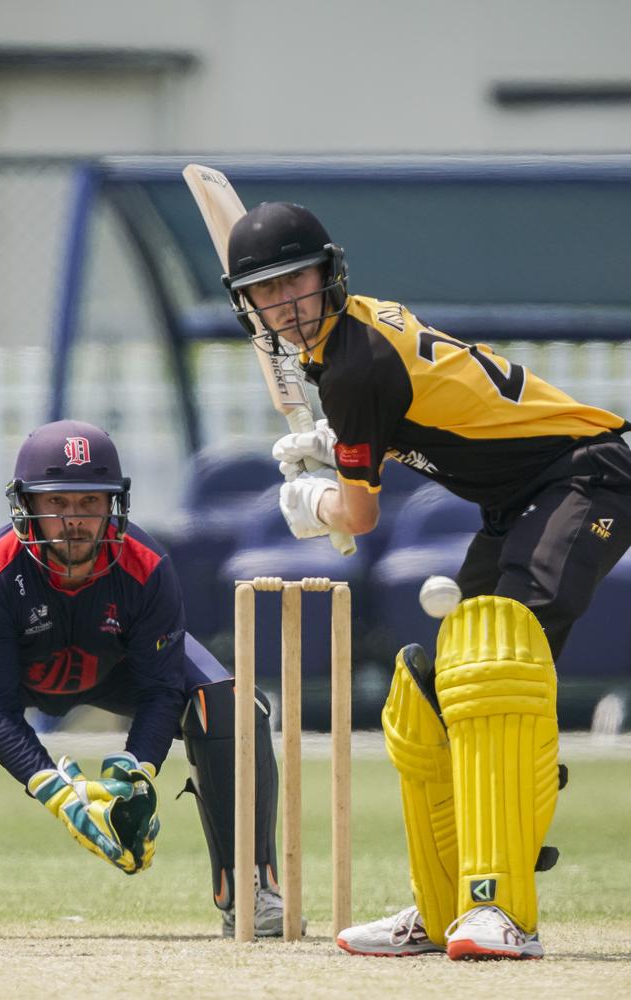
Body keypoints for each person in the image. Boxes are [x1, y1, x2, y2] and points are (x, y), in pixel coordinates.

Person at [222, 201, 631, 959]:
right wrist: (338, 442)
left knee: (495, 670)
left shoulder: (352, 366)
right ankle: (443, 902)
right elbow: (417, 400)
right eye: (267, 293)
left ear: (329, 274)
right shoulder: (353, 340)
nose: (285, 305)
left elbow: (361, 516)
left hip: (584, 475)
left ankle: (500, 905)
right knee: (436, 693)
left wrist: (312, 503)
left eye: (296, 282)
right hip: (522, 498)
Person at [0, 418, 295, 939]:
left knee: (232, 704)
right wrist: (58, 792)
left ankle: (251, 889)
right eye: (57, 503)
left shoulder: (147, 567)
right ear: (28, 505)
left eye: (89, 503)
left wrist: (135, 772)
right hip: (21, 675)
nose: (74, 520)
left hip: (117, 672)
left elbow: (160, 689)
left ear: (113, 505)